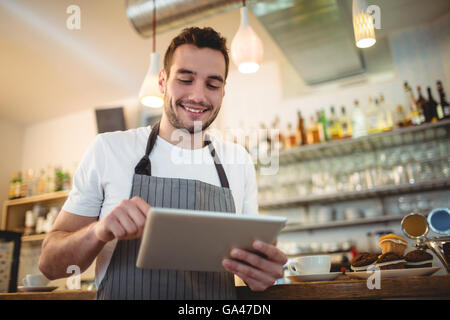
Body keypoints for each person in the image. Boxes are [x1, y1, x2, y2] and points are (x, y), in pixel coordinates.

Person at [38, 27, 287, 300]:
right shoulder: (109, 150)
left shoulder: (238, 161)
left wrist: (261, 273)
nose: (199, 96)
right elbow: (50, 265)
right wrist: (99, 231)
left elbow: (249, 267)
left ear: (223, 92)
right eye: (185, 79)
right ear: (162, 81)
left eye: (212, 84)